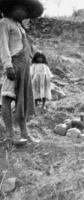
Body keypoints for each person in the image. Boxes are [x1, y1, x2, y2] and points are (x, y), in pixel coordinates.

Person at [0, 0, 44, 145]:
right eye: (21, 9)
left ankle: (25, 132)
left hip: (24, 66)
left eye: (26, 10)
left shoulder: (19, 26)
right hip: (14, 64)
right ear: (12, 8)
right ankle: (10, 134)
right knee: (7, 98)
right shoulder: (5, 22)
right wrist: (8, 66)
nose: (24, 12)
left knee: (22, 100)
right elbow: (3, 45)